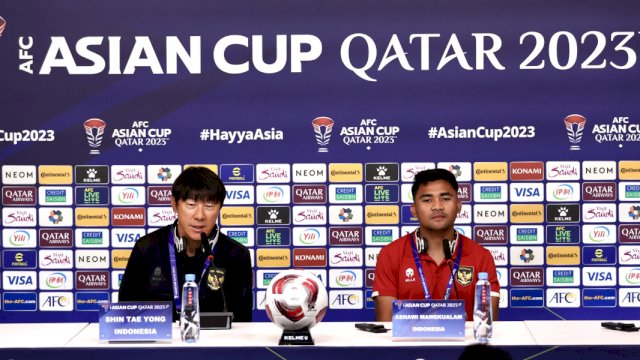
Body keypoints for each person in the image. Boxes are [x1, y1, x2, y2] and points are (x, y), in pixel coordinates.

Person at [119, 166, 252, 322]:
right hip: (160, 344)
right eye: (191, 205)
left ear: (220, 208)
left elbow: (243, 324)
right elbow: (124, 315)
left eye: (209, 206)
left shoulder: (236, 255)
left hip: (215, 344)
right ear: (174, 204)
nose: (200, 215)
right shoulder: (147, 248)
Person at [373, 168, 500, 321]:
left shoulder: (481, 257)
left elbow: (487, 324)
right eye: (427, 200)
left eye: (445, 198)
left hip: (464, 345)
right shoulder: (390, 254)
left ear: (459, 206)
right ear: (414, 210)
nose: (437, 206)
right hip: (408, 345)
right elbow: (387, 324)